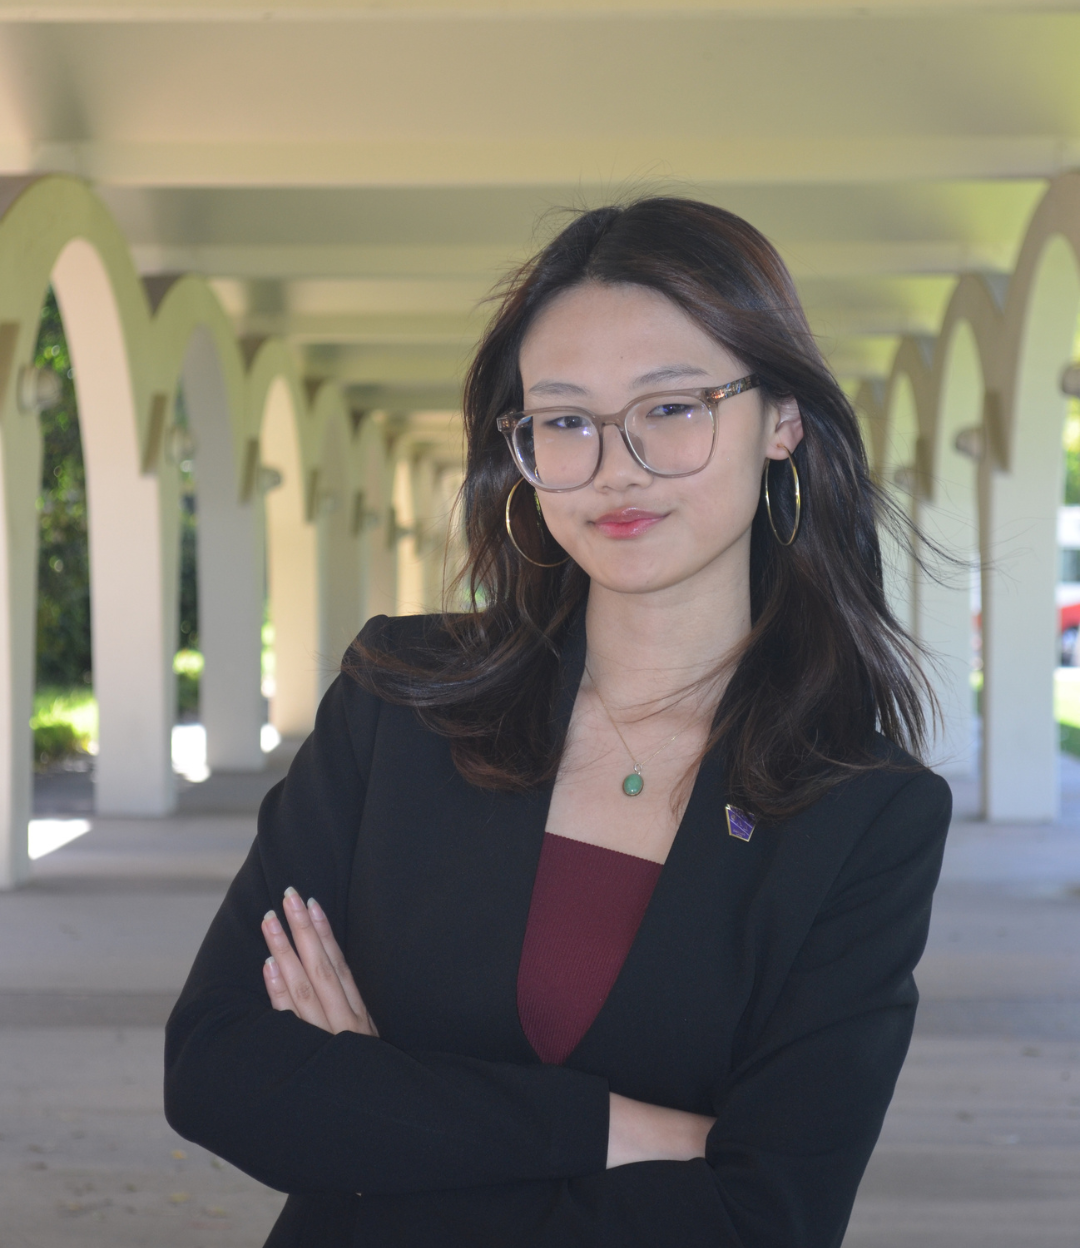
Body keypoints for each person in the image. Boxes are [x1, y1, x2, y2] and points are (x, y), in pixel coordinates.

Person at [164, 197, 951, 1248]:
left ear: (783, 420)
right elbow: (218, 1071)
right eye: (567, 419)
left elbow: (765, 1217)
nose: (614, 465)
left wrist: (379, 1105)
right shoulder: (401, 697)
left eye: (672, 407)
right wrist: (618, 1129)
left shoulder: (865, 811)